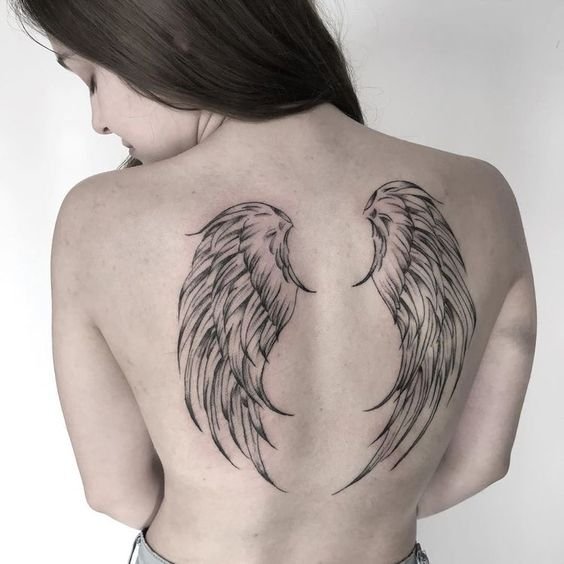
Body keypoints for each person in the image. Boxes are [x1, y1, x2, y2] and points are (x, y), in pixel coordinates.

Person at [10, 1, 536, 563]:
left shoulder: (99, 216)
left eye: (91, 77)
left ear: (173, 30)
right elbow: (481, 463)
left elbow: (115, 491)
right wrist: (357, 518)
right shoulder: (483, 195)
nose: (98, 120)